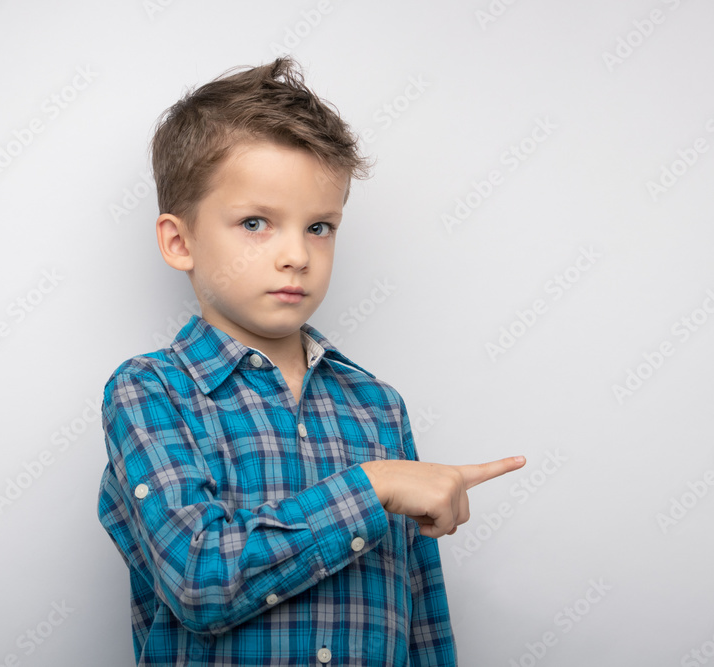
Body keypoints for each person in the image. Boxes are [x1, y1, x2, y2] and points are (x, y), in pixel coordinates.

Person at [96, 55, 525, 666]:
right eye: (255, 223)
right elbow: (199, 580)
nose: (297, 253)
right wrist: (371, 487)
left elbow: (422, 620)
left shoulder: (377, 406)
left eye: (320, 227)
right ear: (179, 241)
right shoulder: (151, 391)